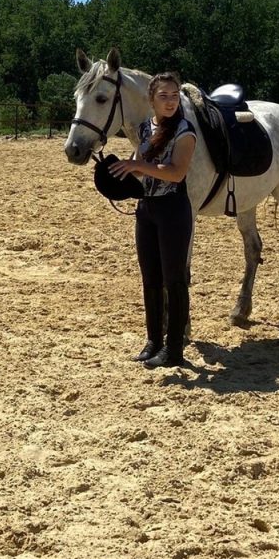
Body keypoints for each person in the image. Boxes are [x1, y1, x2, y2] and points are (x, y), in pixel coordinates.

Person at [108, 72, 197, 368]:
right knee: (151, 279)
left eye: (174, 96)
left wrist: (137, 164)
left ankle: (174, 350)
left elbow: (176, 173)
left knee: (175, 280)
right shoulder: (145, 129)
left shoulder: (185, 131)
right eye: (164, 96)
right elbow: (139, 169)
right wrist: (114, 172)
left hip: (173, 209)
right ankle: (153, 341)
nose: (170, 102)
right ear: (152, 100)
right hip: (146, 209)